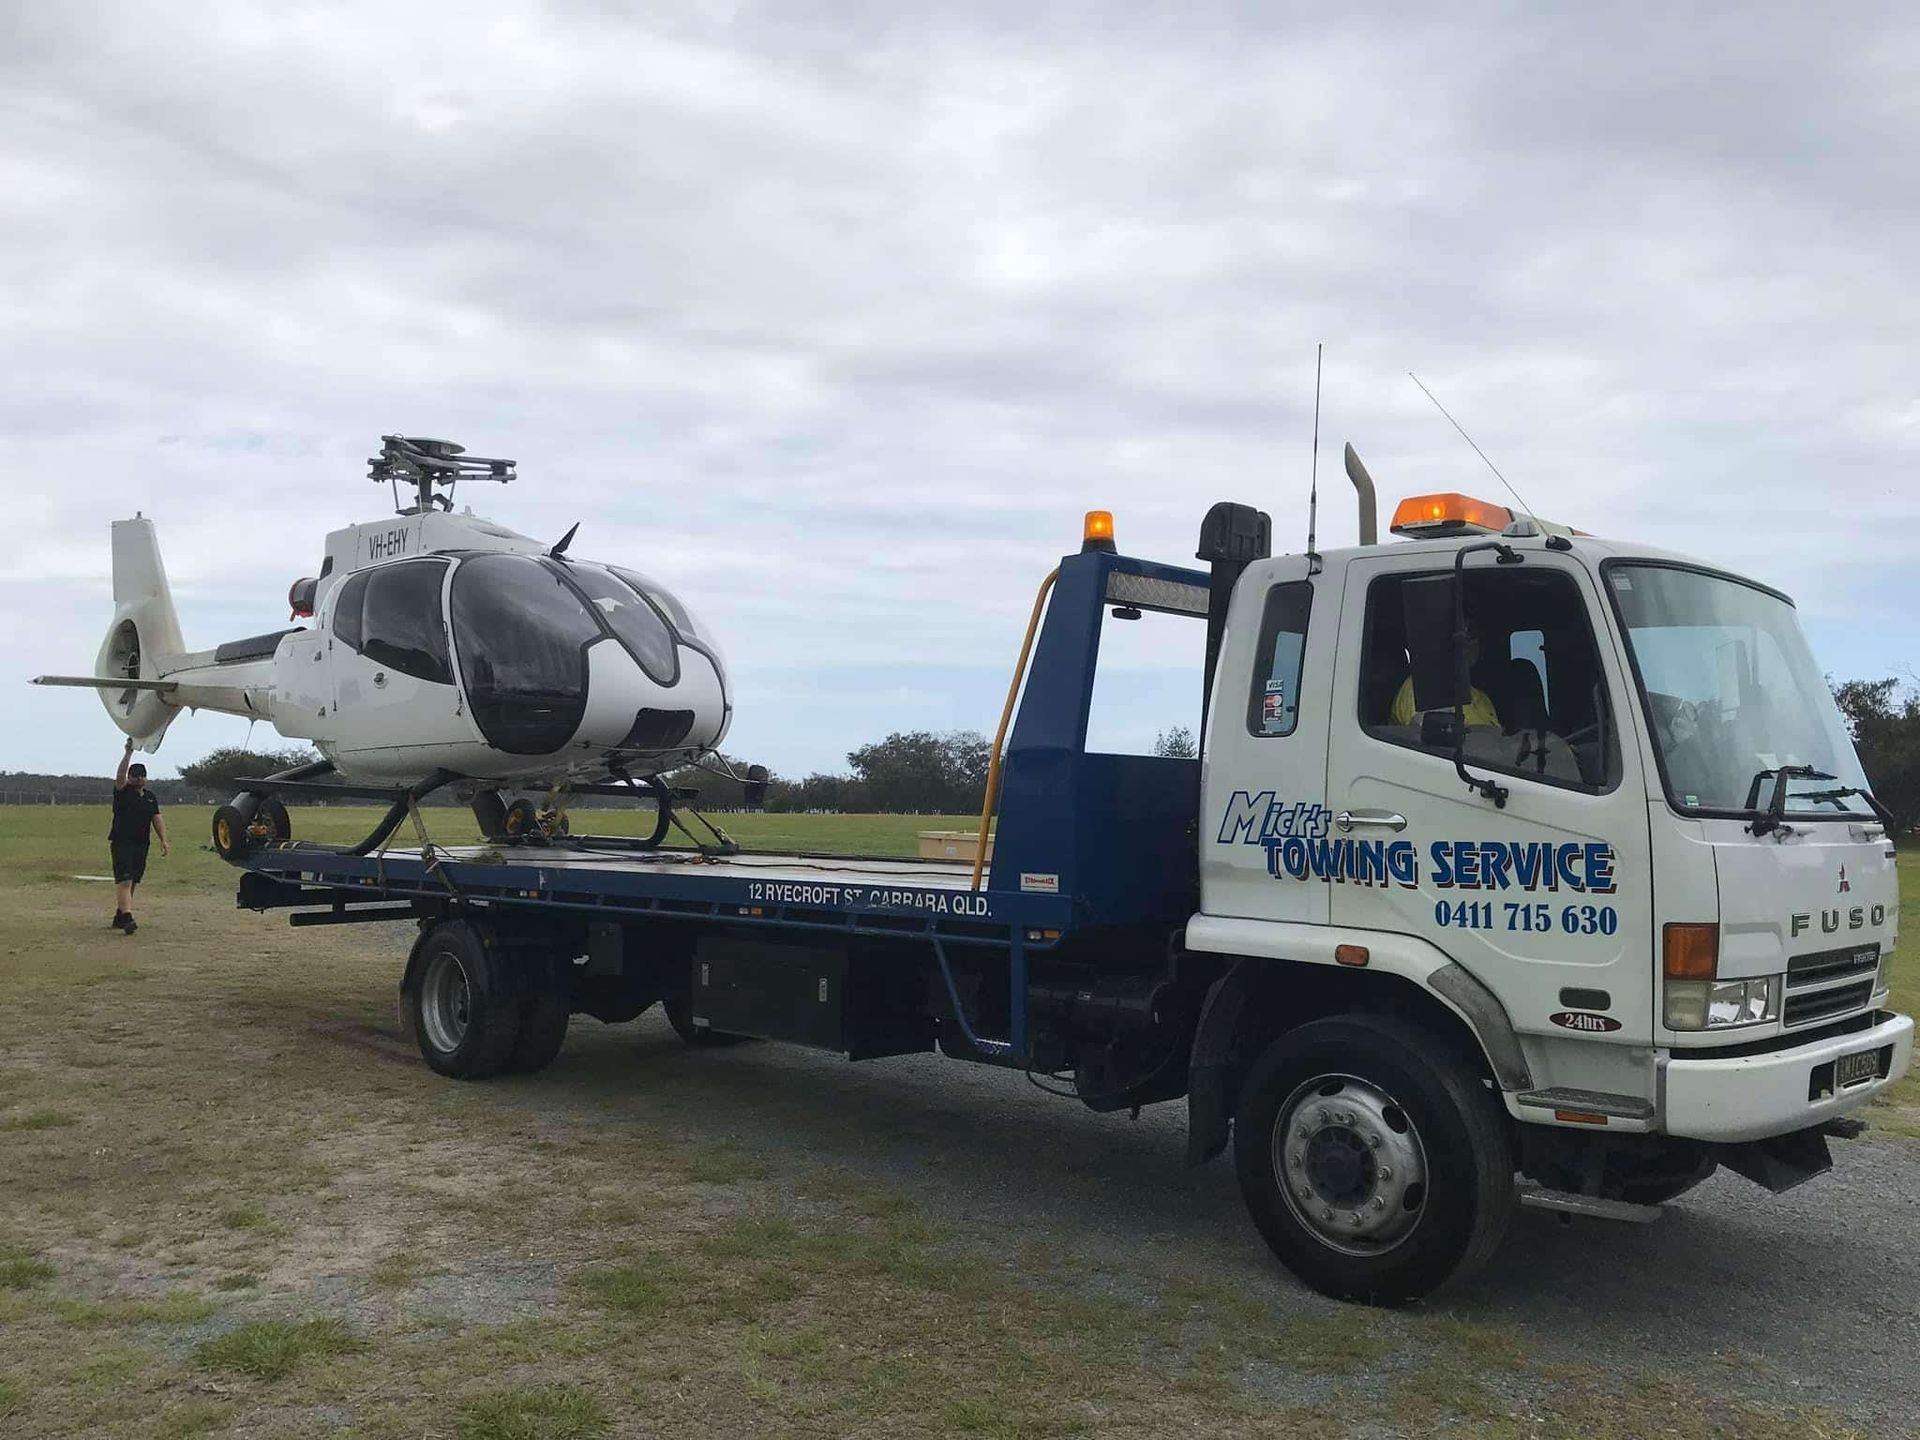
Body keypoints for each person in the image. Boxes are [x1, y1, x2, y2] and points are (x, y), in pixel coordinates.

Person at [110, 736, 168, 933]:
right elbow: (119, 776)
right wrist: (128, 753)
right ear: (130, 777)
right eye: (135, 776)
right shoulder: (123, 792)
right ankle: (127, 917)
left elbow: (156, 818)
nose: (139, 779)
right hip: (122, 842)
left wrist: (163, 839)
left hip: (142, 843)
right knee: (124, 879)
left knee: (133, 879)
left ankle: (121, 914)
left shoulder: (150, 797)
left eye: (142, 775)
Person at [1388, 632, 1500, 728]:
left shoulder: (1482, 698)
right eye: (1463, 636)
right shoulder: (1422, 685)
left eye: (1472, 636)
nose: (1469, 642)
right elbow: (1421, 737)